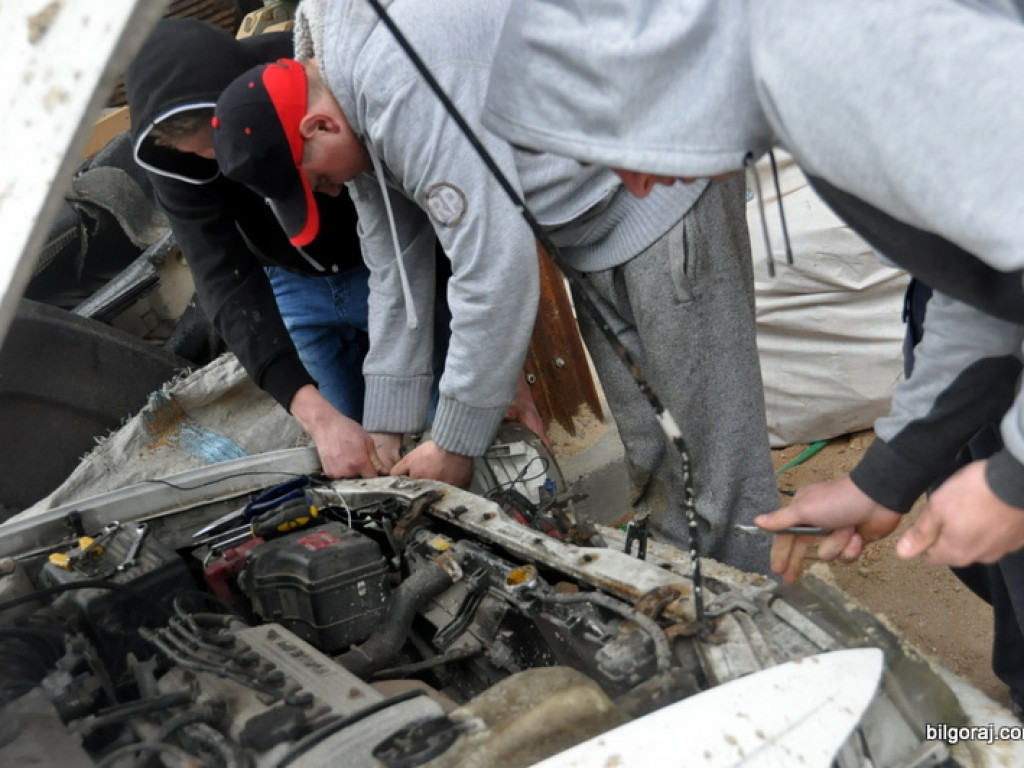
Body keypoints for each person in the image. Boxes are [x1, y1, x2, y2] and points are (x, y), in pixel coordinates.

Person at [210, 0, 779, 572]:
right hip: (596, 210)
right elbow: (393, 264)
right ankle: (682, 585)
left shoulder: (402, 83)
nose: (331, 191)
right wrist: (386, 424)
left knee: (711, 441)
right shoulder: (343, 92)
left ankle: (755, 598)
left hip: (667, 168)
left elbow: (493, 269)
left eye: (319, 179)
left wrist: (455, 444)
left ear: (320, 127)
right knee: (649, 434)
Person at [482, 1, 1024, 578]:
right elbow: (980, 281)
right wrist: (886, 477)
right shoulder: (790, 78)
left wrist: (1012, 481)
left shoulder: (838, 48)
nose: (636, 187)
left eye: (616, 141)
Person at [126, 18, 460, 479]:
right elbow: (218, 272)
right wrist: (314, 414)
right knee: (351, 457)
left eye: (220, 147)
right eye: (201, 156)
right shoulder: (169, 158)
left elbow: (404, 215)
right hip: (290, 284)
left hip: (388, 261)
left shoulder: (314, 70)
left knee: (449, 424)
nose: (221, 163)